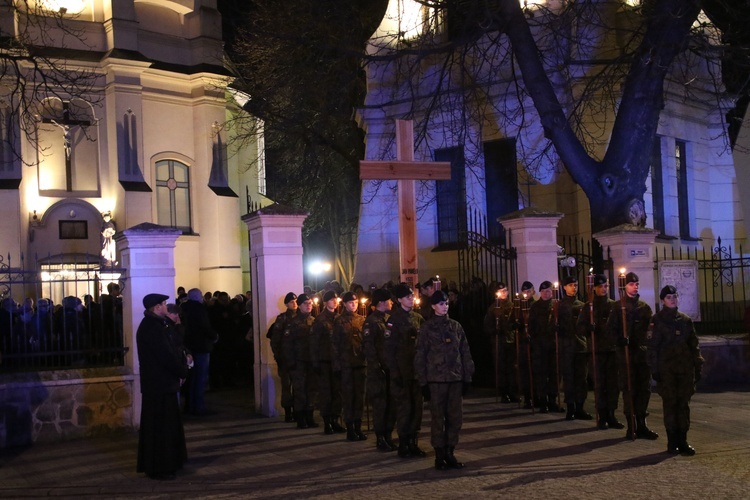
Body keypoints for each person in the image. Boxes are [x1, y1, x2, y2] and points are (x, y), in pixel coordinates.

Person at [415, 290, 475, 470]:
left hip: (454, 380)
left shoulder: (456, 327)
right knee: (437, 419)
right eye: (441, 304)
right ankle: (439, 454)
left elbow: (465, 352)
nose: (444, 306)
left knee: (455, 418)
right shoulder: (427, 328)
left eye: (446, 303)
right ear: (433, 306)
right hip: (436, 381)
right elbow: (420, 356)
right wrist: (423, 381)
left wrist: (467, 376)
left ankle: (450, 451)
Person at [136, 293, 190, 480]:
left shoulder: (159, 325)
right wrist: (182, 371)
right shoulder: (152, 328)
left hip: (162, 384)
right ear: (157, 307)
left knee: (166, 426)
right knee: (159, 428)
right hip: (158, 385)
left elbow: (174, 347)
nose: (167, 307)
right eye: (164, 304)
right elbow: (165, 355)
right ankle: (159, 466)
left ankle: (170, 462)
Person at [648, 285, 704, 455]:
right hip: (667, 371)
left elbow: (693, 345)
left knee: (683, 405)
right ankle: (672, 441)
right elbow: (652, 347)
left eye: (674, 296)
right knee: (670, 404)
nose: (673, 299)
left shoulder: (685, 320)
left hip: (684, 369)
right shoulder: (656, 320)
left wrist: (697, 364)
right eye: (669, 297)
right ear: (662, 300)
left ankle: (683, 440)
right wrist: (654, 369)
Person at [607, 272, 658, 440]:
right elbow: (611, 330)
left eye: (636, 284)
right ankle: (631, 426)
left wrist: (644, 344)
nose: (635, 286)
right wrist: (620, 340)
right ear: (625, 286)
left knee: (644, 390)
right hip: (626, 355)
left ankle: (642, 424)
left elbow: (649, 331)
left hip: (641, 355)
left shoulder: (644, 307)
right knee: (629, 389)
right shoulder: (617, 307)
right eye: (631, 284)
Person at [577, 274, 624, 430]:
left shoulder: (614, 305)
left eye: (606, 286)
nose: (603, 289)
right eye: (600, 287)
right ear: (594, 288)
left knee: (613, 385)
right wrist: (588, 328)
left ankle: (611, 414)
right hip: (596, 351)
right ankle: (602, 415)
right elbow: (580, 327)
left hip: (611, 351)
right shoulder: (588, 306)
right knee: (600, 384)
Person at [386, 283, 427, 458]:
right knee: (405, 408)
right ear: (400, 300)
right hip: (402, 372)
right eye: (408, 297)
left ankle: (413, 442)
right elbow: (389, 350)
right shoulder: (393, 320)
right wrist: (395, 373)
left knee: (417, 408)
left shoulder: (418, 318)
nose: (412, 299)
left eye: (412, 296)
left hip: (416, 371)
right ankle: (403, 443)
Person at [362, 288, 397, 452]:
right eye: (389, 300)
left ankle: (389, 435)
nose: (391, 302)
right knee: (380, 405)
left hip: (390, 369)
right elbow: (369, 348)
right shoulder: (371, 322)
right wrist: (376, 367)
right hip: (379, 372)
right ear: (382, 302)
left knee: (391, 405)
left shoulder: (389, 319)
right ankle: (380, 437)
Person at [332, 291, 368, 441]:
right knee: (348, 397)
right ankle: (350, 427)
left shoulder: (362, 320)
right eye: (351, 303)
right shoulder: (339, 321)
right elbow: (334, 345)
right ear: (345, 304)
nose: (354, 305)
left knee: (360, 397)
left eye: (356, 303)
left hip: (360, 364)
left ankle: (358, 427)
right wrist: (337, 365)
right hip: (346, 364)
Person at [311, 290, 345, 435]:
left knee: (337, 392)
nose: (335, 301)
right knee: (326, 393)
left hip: (338, 361)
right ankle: (327, 422)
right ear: (325, 302)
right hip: (325, 360)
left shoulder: (339, 318)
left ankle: (335, 419)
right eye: (331, 299)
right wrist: (316, 362)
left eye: (336, 299)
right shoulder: (320, 320)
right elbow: (314, 343)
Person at [558, 276, 591, 420]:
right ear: (564, 287)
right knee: (569, 378)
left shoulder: (582, 305)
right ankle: (570, 407)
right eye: (570, 285)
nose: (574, 287)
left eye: (575, 285)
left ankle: (580, 407)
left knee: (581, 379)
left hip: (580, 347)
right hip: (566, 347)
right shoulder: (558, 306)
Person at [181, 288, 219, 416]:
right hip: (201, 346)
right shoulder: (200, 309)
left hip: (188, 346)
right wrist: (214, 336)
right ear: (198, 297)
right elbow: (205, 327)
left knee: (191, 378)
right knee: (200, 378)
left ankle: (190, 405)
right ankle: (199, 406)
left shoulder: (184, 308)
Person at [284, 293, 318, 429]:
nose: (309, 306)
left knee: (311, 390)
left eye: (310, 303)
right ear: (300, 305)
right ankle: (300, 418)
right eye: (305, 304)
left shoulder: (314, 321)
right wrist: (291, 362)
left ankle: (309, 416)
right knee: (300, 391)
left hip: (311, 361)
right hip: (298, 362)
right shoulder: (293, 323)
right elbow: (287, 345)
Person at [482, 282, 520, 404]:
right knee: (501, 367)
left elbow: (516, 320)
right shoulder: (492, 308)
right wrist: (495, 330)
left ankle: (513, 391)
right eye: (501, 291)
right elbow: (487, 326)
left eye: (505, 290)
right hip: (499, 341)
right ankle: (504, 393)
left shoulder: (513, 306)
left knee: (512, 368)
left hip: (511, 340)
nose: (503, 293)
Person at [528, 281, 562, 413]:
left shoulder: (557, 305)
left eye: (548, 291)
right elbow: (531, 326)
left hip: (554, 344)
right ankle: (543, 400)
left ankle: (552, 399)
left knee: (555, 373)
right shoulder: (535, 307)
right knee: (541, 374)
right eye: (544, 291)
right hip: (540, 345)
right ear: (540, 292)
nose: (546, 293)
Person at [268, 292, 297, 422]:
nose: (294, 304)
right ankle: (288, 412)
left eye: (296, 301)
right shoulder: (282, 319)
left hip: (298, 359)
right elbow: (275, 340)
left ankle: (298, 410)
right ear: (286, 304)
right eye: (291, 302)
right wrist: (278, 357)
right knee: (286, 386)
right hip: (285, 359)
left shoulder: (301, 317)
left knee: (298, 386)